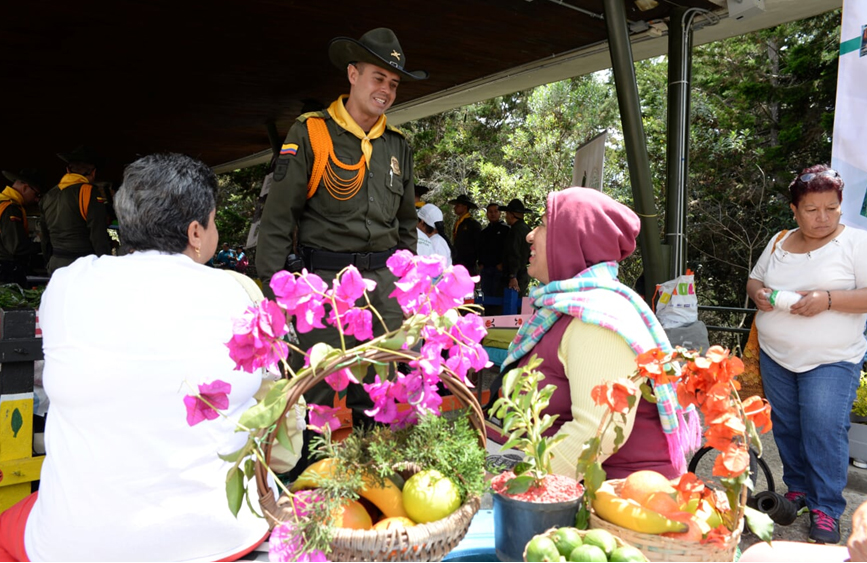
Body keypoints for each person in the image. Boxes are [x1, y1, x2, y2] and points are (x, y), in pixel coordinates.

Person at [0, 153, 276, 562]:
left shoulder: (66, 285)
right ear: (196, 232)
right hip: (223, 534)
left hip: (74, 545)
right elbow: (272, 405)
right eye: (213, 222)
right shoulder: (238, 294)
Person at [255, 28, 426, 426]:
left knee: (380, 399)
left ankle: (371, 466)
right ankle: (312, 468)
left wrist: (405, 289)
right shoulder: (311, 132)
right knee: (316, 402)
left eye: (394, 83)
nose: (386, 90)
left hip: (383, 290)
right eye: (378, 78)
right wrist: (275, 294)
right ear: (353, 74)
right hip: (325, 288)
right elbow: (278, 219)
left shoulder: (397, 145)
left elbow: (405, 226)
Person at [498, 187, 699, 480]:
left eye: (542, 225)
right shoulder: (566, 309)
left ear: (570, 242)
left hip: (615, 496)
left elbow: (596, 433)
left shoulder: (597, 319)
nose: (530, 235)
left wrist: (517, 483)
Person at [746, 164, 867, 544]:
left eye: (832, 208)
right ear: (794, 211)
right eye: (812, 209)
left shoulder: (857, 243)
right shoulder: (780, 240)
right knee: (787, 425)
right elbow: (755, 279)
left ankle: (826, 507)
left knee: (823, 428)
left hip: (832, 358)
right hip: (776, 354)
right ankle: (797, 489)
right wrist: (758, 294)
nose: (823, 217)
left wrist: (827, 299)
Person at [39, 145, 112, 275]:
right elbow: (98, 235)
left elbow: (44, 237)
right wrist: (105, 265)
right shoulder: (89, 192)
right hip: (82, 266)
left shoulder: (49, 195)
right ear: (93, 172)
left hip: (56, 263)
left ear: (68, 170)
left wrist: (49, 261)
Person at [0, 170, 43, 286]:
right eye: (37, 194)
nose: (37, 200)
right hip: (6, 270)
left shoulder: (2, 201)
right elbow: (16, 247)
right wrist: (43, 246)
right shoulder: (10, 208)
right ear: (25, 188)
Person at [478, 202, 509, 315]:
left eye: (495, 211)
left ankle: (498, 321)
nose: (493, 214)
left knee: (498, 299)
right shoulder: (484, 232)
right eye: (490, 212)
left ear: (500, 213)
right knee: (486, 299)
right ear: (487, 214)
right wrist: (480, 263)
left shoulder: (506, 230)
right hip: (486, 270)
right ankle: (488, 319)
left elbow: (509, 250)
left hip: (499, 271)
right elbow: (480, 249)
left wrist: (502, 264)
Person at [501, 198, 532, 297]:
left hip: (516, 275)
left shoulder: (515, 231)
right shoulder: (527, 228)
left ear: (511, 215)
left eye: (507, 214)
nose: (506, 217)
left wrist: (512, 276)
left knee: (512, 302)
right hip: (523, 273)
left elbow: (514, 253)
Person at [449, 193, 481, 275]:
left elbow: (478, 244)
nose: (455, 208)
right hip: (457, 261)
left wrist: (473, 260)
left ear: (465, 207)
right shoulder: (458, 222)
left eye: (457, 205)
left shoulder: (473, 224)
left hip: (468, 264)